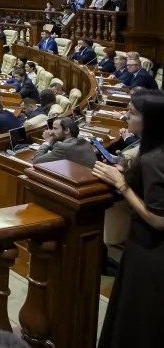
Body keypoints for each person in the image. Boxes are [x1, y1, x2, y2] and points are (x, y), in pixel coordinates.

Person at [92, 91, 164, 347]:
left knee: (138, 318)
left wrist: (121, 184)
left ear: (150, 120)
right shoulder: (154, 151)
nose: (125, 116)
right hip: (148, 249)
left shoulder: (154, 159)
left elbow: (158, 219)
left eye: (132, 113)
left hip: (150, 249)